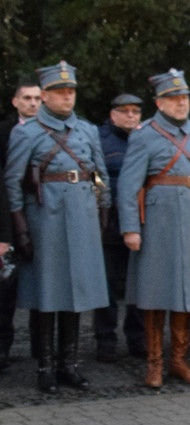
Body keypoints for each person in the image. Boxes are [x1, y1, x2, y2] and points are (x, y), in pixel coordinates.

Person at [4, 61, 111, 393]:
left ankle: (70, 364)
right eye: (60, 92)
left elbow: (100, 173)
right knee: (48, 292)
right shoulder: (26, 132)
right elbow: (11, 182)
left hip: (81, 216)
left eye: (71, 92)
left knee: (78, 292)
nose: (68, 98)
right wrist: (20, 228)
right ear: (46, 96)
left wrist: (103, 210)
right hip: (45, 217)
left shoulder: (88, 130)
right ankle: (46, 366)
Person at [118, 69, 190, 389]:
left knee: (186, 294)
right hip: (157, 221)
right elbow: (129, 185)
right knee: (155, 293)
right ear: (159, 102)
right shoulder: (144, 134)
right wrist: (131, 228)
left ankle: (179, 361)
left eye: (184, 98)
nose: (181, 104)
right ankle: (154, 363)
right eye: (174, 99)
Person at [95, 94, 146, 363]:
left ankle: (137, 338)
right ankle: (105, 339)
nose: (131, 116)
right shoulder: (101, 139)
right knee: (108, 285)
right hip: (108, 222)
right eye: (124, 111)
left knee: (137, 285)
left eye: (136, 111)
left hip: (140, 220)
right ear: (112, 114)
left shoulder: (146, 137)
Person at [0, 82, 42, 371]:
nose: (33, 103)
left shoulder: (52, 130)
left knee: (36, 287)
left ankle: (39, 349)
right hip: (12, 214)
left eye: (38, 98)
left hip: (35, 217)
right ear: (15, 101)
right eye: (27, 98)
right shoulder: (5, 131)